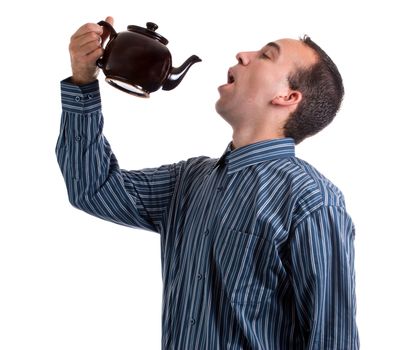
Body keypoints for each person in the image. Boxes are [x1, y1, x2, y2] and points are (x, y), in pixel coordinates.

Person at [56, 16, 359, 349]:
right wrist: (83, 81)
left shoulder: (312, 201)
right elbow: (93, 188)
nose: (243, 55)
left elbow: (333, 340)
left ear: (288, 97)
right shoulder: (188, 181)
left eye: (265, 55)